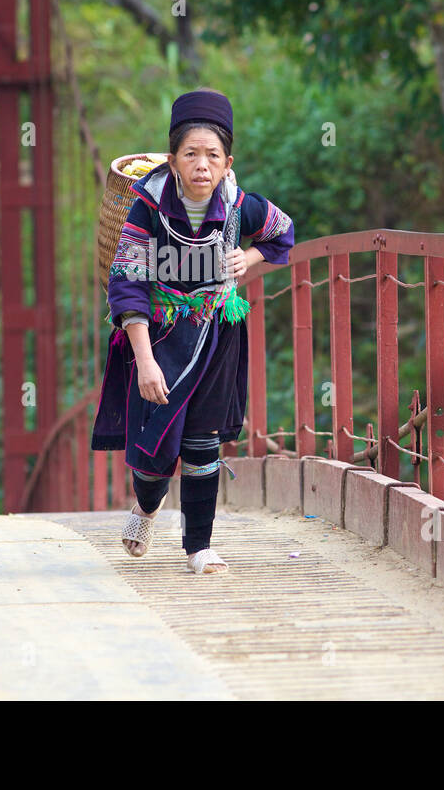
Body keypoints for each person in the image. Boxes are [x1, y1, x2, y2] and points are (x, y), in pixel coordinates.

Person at [91, 88, 295, 574]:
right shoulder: (147, 209)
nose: (202, 165)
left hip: (217, 338)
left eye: (213, 156)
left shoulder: (240, 206)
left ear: (227, 164)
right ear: (172, 161)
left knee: (203, 442)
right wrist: (144, 362)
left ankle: (198, 548)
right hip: (159, 339)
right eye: (190, 154)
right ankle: (146, 504)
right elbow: (127, 284)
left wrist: (249, 256)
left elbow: (282, 232)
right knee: (153, 452)